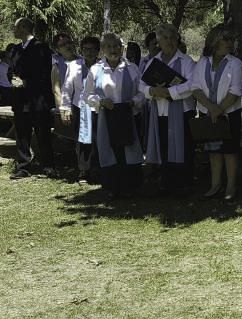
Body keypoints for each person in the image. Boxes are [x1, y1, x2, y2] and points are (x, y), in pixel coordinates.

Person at [83, 33, 145, 198]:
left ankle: (131, 187)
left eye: (116, 46)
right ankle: (112, 188)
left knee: (128, 150)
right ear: (102, 50)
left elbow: (142, 93)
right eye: (109, 46)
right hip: (105, 117)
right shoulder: (95, 70)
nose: (113, 50)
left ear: (122, 48)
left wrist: (133, 101)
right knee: (109, 151)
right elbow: (86, 95)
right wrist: (101, 101)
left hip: (128, 116)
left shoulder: (132, 69)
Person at [140, 23, 196, 194]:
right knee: (163, 145)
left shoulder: (186, 61)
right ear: (158, 41)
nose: (170, 41)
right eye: (165, 38)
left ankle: (182, 184)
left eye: (173, 38)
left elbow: (192, 85)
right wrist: (151, 91)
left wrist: (168, 92)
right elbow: (140, 84)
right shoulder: (154, 61)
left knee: (182, 147)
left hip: (182, 112)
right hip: (160, 111)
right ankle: (166, 182)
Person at [191, 25, 242, 201]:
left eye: (231, 40)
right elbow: (195, 88)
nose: (229, 43)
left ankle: (231, 185)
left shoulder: (234, 63)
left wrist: (220, 109)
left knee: (229, 151)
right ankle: (215, 185)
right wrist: (211, 108)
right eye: (225, 39)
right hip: (209, 113)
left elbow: (236, 91)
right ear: (215, 41)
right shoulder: (202, 62)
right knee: (213, 151)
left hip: (229, 114)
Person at [8, 17, 56, 179]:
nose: (13, 30)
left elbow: (45, 73)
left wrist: (26, 81)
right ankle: (23, 166)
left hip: (38, 100)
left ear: (23, 28)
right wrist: (12, 79)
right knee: (22, 134)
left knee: (43, 134)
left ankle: (48, 166)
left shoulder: (41, 47)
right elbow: (11, 70)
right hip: (20, 100)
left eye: (15, 27)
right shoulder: (15, 49)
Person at [60, 36, 101, 182]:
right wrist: (65, 108)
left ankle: (98, 169)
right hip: (79, 108)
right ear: (81, 50)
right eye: (86, 49)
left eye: (92, 49)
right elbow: (66, 88)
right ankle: (83, 170)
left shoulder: (103, 66)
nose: (89, 52)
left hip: (98, 108)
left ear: (98, 51)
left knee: (98, 139)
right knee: (82, 140)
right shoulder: (74, 65)